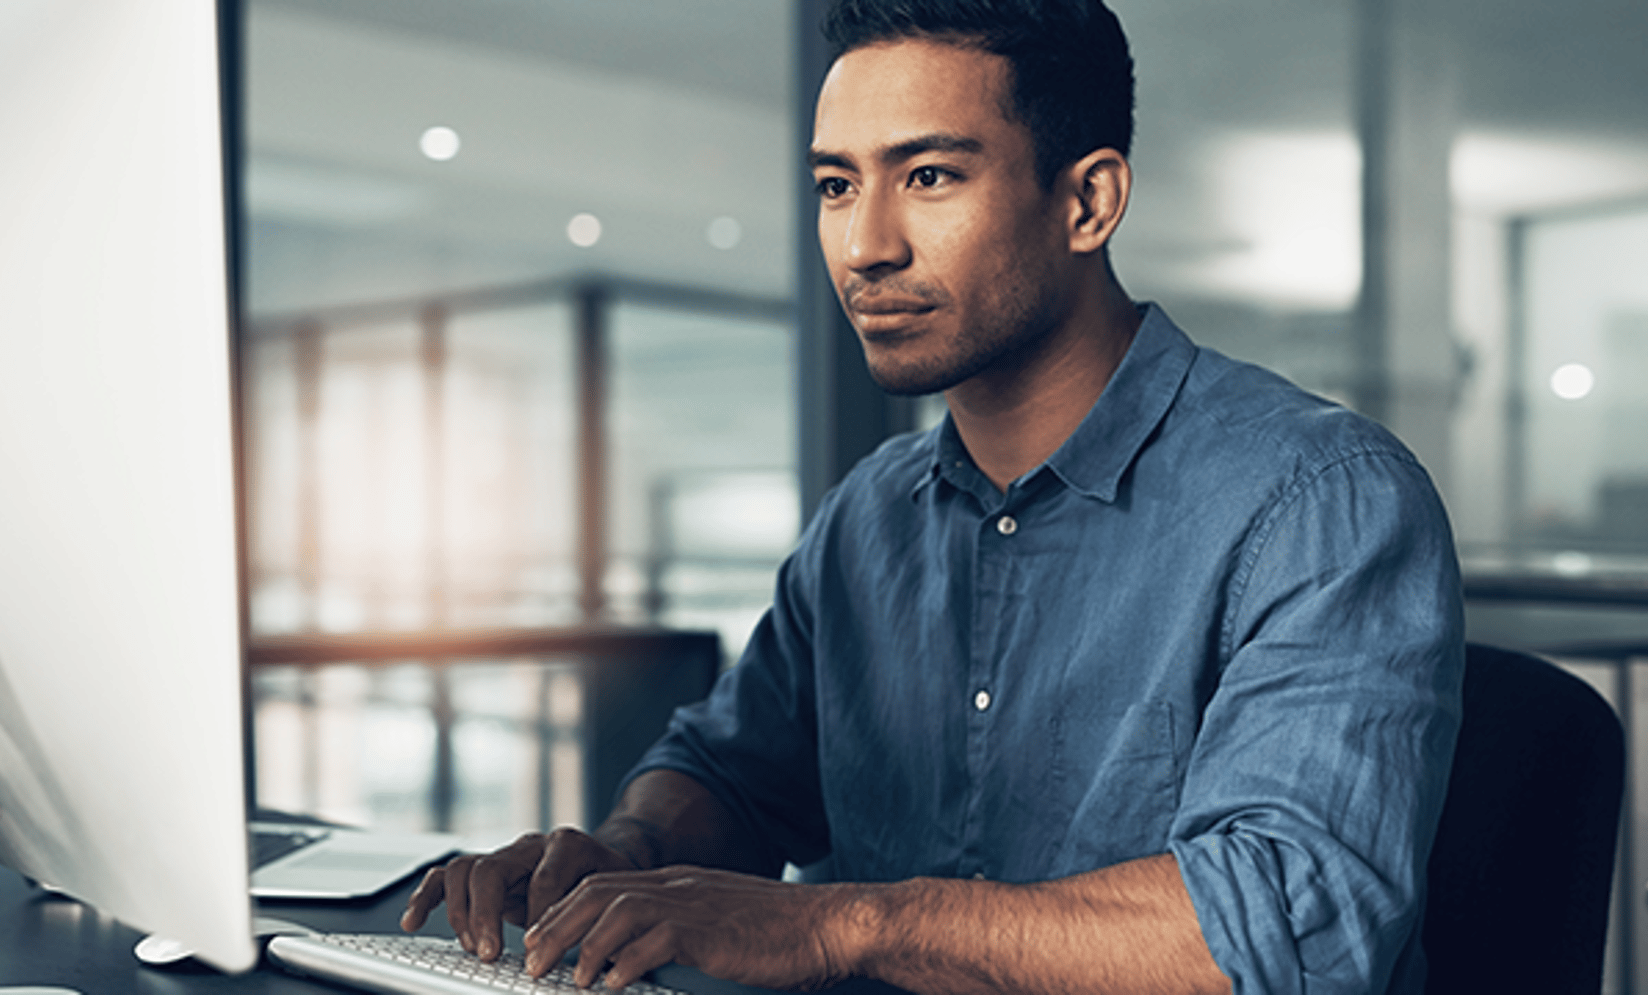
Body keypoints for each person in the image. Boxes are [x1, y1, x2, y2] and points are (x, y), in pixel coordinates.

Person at [404, 1, 1464, 992]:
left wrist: (840, 922)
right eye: (835, 185)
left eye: (929, 178)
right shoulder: (870, 515)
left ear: (1087, 200)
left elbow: (1288, 924)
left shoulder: (1320, 498)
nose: (866, 245)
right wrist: (624, 855)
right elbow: (727, 773)